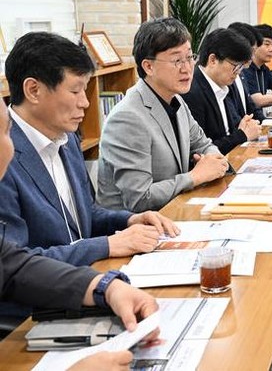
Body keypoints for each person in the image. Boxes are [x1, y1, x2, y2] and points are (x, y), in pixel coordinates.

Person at [0, 96, 159, 370]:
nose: (11, 145)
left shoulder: (67, 140)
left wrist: (105, 287)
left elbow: (14, 266)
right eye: (6, 131)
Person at [0, 31, 179, 267]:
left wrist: (129, 220)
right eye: (75, 91)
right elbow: (13, 264)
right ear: (33, 90)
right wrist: (106, 245)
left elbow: (84, 215)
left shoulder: (68, 139)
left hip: (87, 275)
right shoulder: (5, 156)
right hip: (50, 289)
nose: (85, 102)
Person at [98, 18, 230, 212]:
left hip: (174, 212)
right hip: (136, 225)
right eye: (177, 60)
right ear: (148, 67)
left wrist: (213, 161)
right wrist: (195, 176)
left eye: (189, 57)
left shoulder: (177, 101)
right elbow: (139, 199)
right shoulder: (127, 117)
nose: (187, 68)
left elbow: (204, 145)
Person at [181, 28, 262, 155]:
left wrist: (244, 126)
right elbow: (199, 151)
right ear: (213, 60)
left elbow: (232, 129)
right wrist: (242, 135)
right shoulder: (191, 92)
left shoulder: (223, 86)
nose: (238, 73)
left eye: (241, 67)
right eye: (235, 66)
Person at [227, 22, 265, 122]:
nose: (252, 57)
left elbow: (251, 107)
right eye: (251, 51)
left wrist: (267, 124)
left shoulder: (241, 74)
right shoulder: (226, 78)